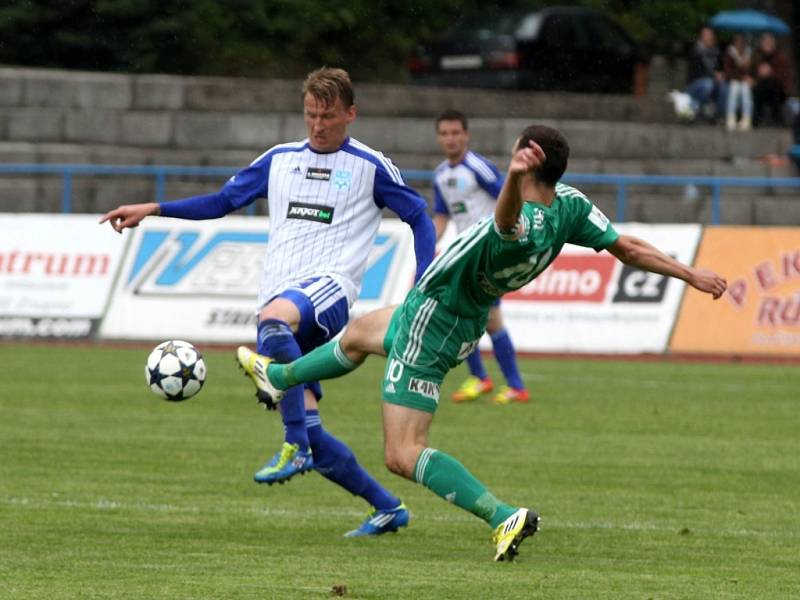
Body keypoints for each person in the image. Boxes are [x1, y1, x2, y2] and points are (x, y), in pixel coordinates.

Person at [238, 124, 728, 561]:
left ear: (527, 158)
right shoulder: (571, 206)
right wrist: (690, 273)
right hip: (459, 314)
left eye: (517, 153)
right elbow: (628, 247)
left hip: (434, 318)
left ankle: (502, 516)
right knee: (361, 334)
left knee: (402, 453)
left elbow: (507, 221)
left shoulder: (524, 221)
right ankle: (278, 375)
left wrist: (512, 179)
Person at [100, 67, 437, 536]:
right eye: (311, 115)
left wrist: (423, 283)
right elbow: (222, 201)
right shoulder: (280, 159)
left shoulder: (369, 166)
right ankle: (385, 506)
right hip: (279, 297)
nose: (318, 125)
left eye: (329, 116)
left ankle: (292, 443)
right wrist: (155, 209)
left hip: (328, 291)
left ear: (351, 115)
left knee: (275, 322)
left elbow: (419, 216)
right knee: (313, 425)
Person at [432, 109, 528, 404]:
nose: (450, 139)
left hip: (489, 250)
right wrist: (427, 249)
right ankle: (481, 379)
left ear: (466, 135)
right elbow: (441, 216)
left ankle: (514, 386)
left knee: (489, 318)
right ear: (439, 137)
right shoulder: (440, 175)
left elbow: (509, 197)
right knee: (463, 312)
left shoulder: (479, 168)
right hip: (465, 252)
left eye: (455, 133)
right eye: (445, 133)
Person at [682, 26, 726, 122]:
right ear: (701, 37)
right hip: (694, 85)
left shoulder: (716, 52)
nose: (708, 37)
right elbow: (697, 73)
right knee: (707, 84)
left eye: (710, 35)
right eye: (706, 35)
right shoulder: (695, 51)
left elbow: (720, 69)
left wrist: (720, 75)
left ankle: (718, 116)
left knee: (723, 85)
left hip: (712, 82)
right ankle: (695, 109)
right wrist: (714, 75)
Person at [752, 33, 792, 127]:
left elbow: (784, 77)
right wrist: (757, 75)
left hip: (778, 89)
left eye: (769, 43)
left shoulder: (780, 58)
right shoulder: (756, 57)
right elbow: (751, 72)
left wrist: (770, 72)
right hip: (759, 87)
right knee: (762, 87)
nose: (767, 45)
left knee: (769, 85)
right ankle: (772, 119)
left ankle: (760, 119)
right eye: (765, 43)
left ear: (774, 44)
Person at [722, 34, 754, 131]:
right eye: (737, 42)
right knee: (734, 87)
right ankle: (731, 118)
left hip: (744, 82)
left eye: (741, 42)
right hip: (733, 81)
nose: (739, 45)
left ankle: (746, 118)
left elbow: (752, 72)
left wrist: (747, 66)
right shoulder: (729, 54)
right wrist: (740, 74)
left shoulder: (749, 54)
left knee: (745, 89)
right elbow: (727, 71)